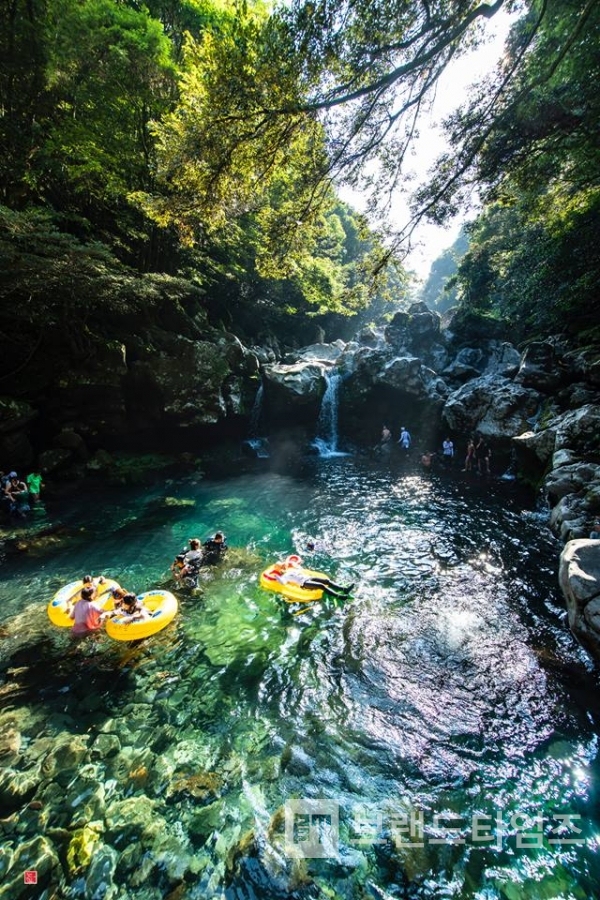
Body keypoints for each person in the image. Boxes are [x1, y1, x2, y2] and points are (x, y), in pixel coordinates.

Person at [274, 556, 354, 599]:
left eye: (283, 564)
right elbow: (283, 582)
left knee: (326, 581)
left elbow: (299, 566)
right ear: (281, 569)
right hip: (304, 583)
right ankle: (339, 596)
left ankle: (344, 589)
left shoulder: (291, 569)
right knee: (321, 586)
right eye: (281, 566)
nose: (283, 565)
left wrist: (291, 563)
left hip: (308, 578)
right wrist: (276, 577)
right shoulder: (285, 576)